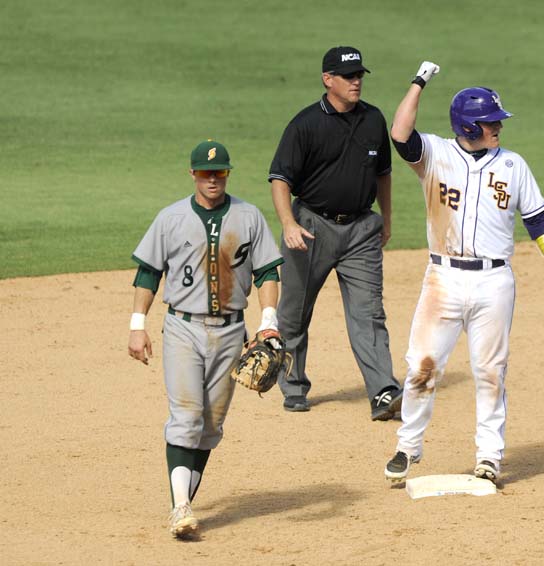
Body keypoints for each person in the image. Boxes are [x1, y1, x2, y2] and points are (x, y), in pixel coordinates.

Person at [384, 62, 544, 485]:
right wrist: (418, 82)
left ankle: (489, 456)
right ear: (468, 127)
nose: (498, 128)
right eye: (491, 123)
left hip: (494, 281)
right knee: (421, 367)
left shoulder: (513, 166)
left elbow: (538, 217)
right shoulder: (435, 155)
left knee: (490, 371)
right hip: (442, 279)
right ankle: (408, 446)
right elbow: (400, 134)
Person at [127, 140, 284, 539]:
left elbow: (267, 272)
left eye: (219, 172)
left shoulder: (249, 216)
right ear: (192, 174)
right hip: (183, 328)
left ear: (227, 174)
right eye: (205, 172)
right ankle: (180, 507)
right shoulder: (171, 218)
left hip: (232, 331)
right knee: (186, 415)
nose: (212, 178)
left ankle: (184, 501)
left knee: (211, 425)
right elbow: (148, 272)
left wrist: (268, 321)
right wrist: (136, 323)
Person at [268, 46, 402, 420]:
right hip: (311, 227)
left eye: (359, 74)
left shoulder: (374, 120)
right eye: (348, 76)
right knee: (294, 314)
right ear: (328, 80)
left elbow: (383, 175)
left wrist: (386, 218)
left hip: (361, 230)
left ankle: (383, 391)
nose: (356, 81)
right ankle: (293, 387)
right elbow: (280, 180)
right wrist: (289, 224)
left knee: (369, 314)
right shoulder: (305, 124)